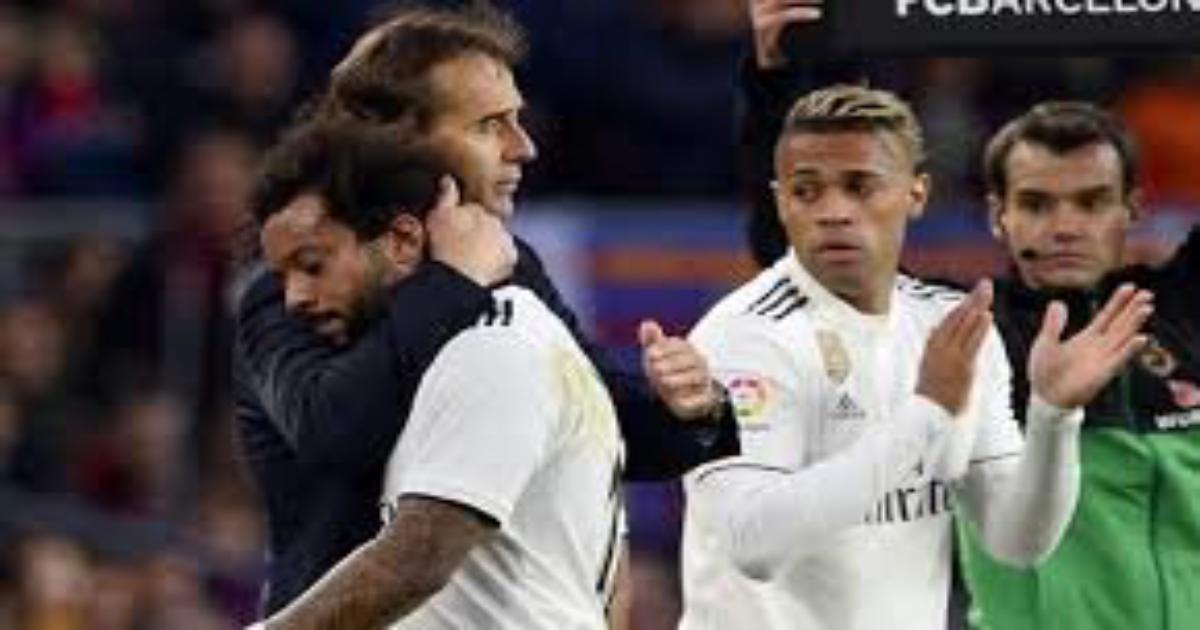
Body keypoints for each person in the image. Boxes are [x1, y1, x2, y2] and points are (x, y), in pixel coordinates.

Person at [234, 0, 737, 616]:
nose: (523, 147)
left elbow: (602, 418)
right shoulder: (295, 284)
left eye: (517, 120)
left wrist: (694, 409)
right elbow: (332, 434)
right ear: (400, 138)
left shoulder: (512, 267)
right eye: (489, 125)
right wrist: (453, 281)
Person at [738, 5, 1200, 628]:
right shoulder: (962, 332)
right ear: (997, 216)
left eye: (1091, 203)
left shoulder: (1185, 310)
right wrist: (791, 73)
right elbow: (805, 254)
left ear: (1133, 210)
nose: (1064, 226)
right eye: (1036, 204)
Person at [244, 119, 621, 629]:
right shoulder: (473, 344)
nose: (294, 299)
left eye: (313, 265)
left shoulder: (492, 345)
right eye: (283, 275)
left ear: (402, 240)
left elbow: (418, 559)